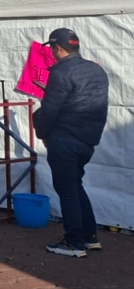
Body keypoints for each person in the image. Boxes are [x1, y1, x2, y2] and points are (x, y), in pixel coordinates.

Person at [33, 28, 109, 258]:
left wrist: (41, 131)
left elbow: (50, 111)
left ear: (57, 48)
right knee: (75, 186)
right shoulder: (97, 70)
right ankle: (90, 237)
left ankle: (74, 243)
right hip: (88, 140)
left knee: (67, 191)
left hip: (64, 139)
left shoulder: (61, 72)